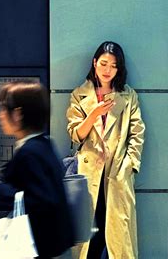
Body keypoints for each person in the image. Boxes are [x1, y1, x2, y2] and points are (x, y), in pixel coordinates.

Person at [66, 41, 145, 259]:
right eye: (103, 63)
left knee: (117, 239)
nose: (107, 70)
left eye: (113, 65)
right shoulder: (79, 95)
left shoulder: (128, 96)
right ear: (94, 63)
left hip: (117, 173)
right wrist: (93, 114)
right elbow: (75, 134)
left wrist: (129, 165)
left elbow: (137, 134)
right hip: (89, 175)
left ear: (119, 69)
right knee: (89, 236)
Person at [0, 81, 74, 259]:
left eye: (3, 109)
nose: (0, 116)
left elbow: (41, 200)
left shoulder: (29, 153)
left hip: (37, 247)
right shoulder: (43, 144)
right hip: (52, 247)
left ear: (17, 114)